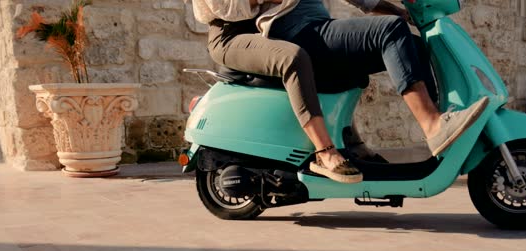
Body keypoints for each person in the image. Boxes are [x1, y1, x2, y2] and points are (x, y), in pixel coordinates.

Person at [191, 0, 488, 182]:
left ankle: (441, 124)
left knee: (409, 40)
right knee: (389, 31)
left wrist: (401, 10)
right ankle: (429, 125)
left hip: (318, 27)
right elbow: (224, 7)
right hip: (296, 33)